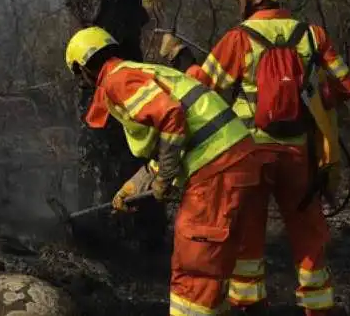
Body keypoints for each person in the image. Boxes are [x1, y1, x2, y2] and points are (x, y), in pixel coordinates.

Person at [167, 0, 350, 315]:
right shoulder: (312, 35)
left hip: (250, 158)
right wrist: (314, 98)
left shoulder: (238, 39)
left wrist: (181, 58)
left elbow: (201, 90)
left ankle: (248, 308)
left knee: (247, 240)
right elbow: (346, 85)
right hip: (300, 156)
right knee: (309, 236)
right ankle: (318, 308)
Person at [65, 25, 267, 316]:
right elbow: (176, 135)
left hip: (216, 169)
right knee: (227, 264)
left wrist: (164, 178)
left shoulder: (117, 81)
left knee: (194, 270)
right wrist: (135, 185)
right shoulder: (139, 71)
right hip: (238, 158)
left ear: (83, 68)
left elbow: (171, 118)